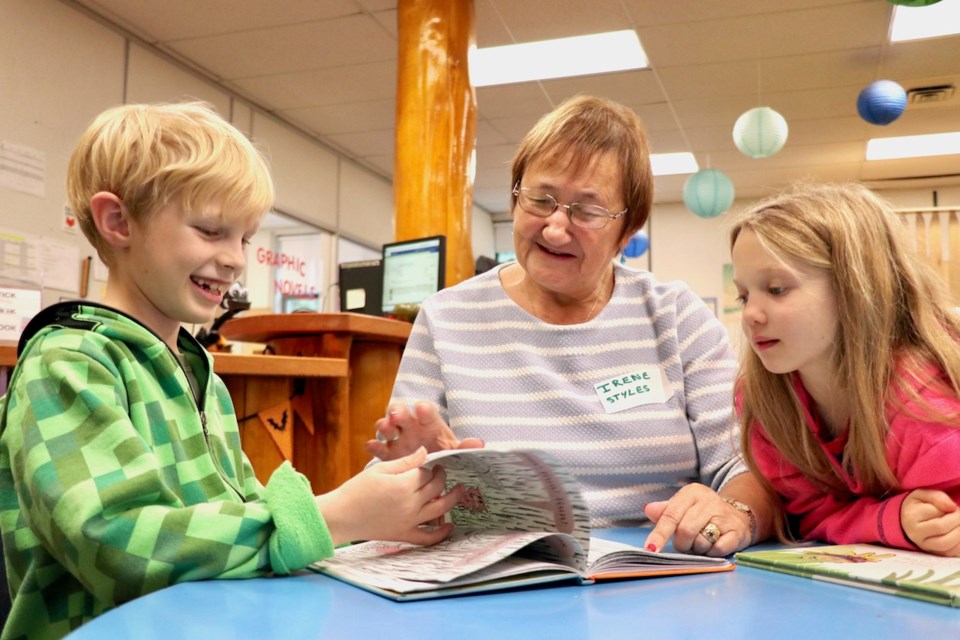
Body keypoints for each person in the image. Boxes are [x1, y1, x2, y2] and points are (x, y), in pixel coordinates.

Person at [0, 102, 463, 640]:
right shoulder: (68, 366)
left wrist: (378, 502)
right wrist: (337, 516)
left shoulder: (204, 380)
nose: (236, 259)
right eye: (211, 230)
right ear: (118, 221)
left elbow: (239, 524)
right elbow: (116, 544)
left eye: (243, 238)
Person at [367, 94, 775, 557]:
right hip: (495, 576)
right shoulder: (445, 318)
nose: (556, 229)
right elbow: (393, 484)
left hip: (652, 572)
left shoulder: (677, 317)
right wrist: (415, 469)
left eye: (588, 211)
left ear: (628, 228)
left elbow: (748, 470)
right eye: (540, 200)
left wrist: (733, 512)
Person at [729, 182, 960, 556]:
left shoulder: (923, 403)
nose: (749, 315)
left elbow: (945, 520)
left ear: (854, 288)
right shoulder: (767, 400)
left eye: (776, 289)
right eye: (744, 295)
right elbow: (808, 514)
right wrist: (890, 520)